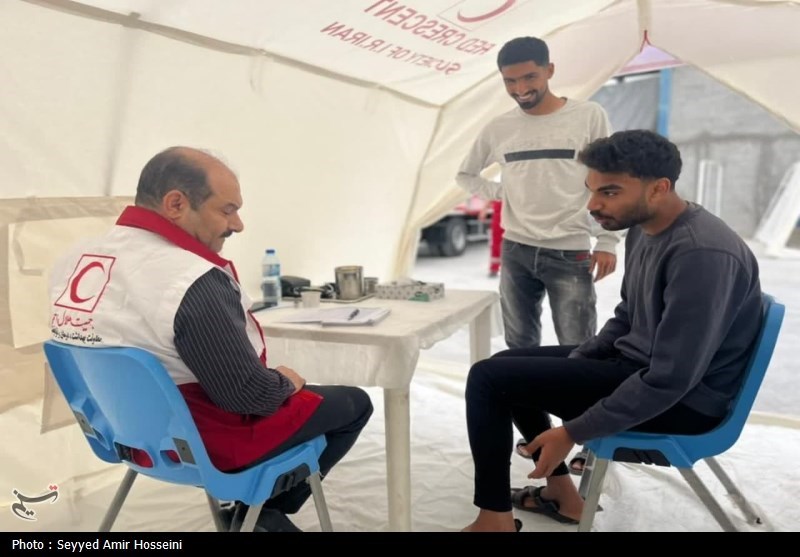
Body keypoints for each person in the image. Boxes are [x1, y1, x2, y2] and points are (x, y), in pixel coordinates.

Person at [48, 147, 373, 532]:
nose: (238, 225)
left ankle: (260, 513)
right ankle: (263, 513)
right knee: (354, 403)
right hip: (200, 444)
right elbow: (248, 396)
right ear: (176, 204)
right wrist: (286, 381)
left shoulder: (75, 258)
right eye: (227, 210)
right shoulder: (190, 278)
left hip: (122, 434)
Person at [461, 130, 762, 532]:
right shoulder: (643, 226)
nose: (593, 205)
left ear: (659, 188)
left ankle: (494, 521)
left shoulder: (701, 254)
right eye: (591, 190)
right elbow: (627, 313)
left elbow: (672, 379)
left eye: (610, 192)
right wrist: (581, 359)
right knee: (505, 365)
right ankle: (562, 494)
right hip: (642, 367)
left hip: (685, 402)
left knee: (489, 379)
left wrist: (573, 431)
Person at [456, 36, 619, 352]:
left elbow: (610, 178)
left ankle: (572, 389)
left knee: (578, 347)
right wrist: (505, 192)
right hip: (516, 249)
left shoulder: (589, 115)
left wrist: (608, 240)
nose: (520, 88)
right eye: (510, 81)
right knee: (519, 346)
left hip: (570, 250)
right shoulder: (498, 127)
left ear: (549, 70)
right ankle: (527, 390)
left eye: (529, 77)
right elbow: (466, 175)